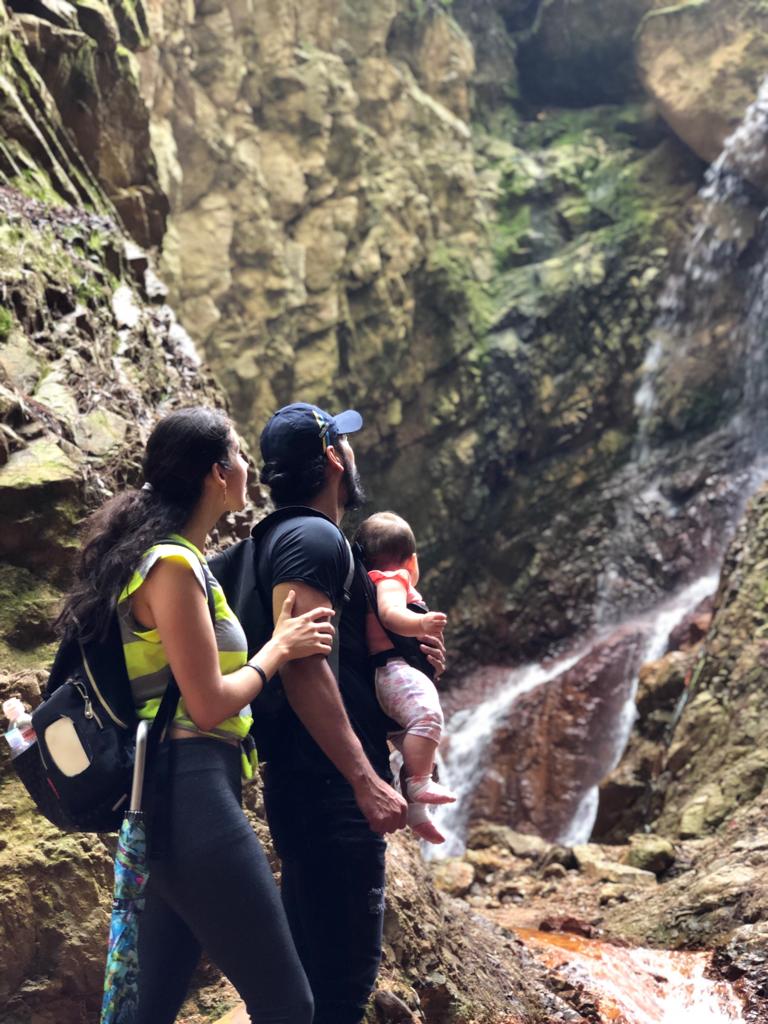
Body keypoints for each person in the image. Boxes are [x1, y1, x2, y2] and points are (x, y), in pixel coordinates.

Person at [56, 406, 334, 1024]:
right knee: (289, 1003)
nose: (246, 468)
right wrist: (277, 651)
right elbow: (206, 702)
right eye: (237, 455)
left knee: (148, 1009)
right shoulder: (172, 567)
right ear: (216, 473)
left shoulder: (173, 559)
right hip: (190, 791)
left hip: (175, 795)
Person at [246, 402, 446, 1024]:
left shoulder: (291, 542)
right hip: (329, 792)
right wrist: (366, 779)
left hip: (310, 786)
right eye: (347, 446)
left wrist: (400, 678)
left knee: (306, 988)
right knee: (342, 987)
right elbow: (304, 665)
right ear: (335, 457)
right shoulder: (312, 536)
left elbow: (329, 668)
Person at [354, 511, 455, 844]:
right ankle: (418, 784)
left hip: (385, 678)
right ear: (412, 562)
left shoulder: (369, 580)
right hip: (393, 670)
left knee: (413, 741)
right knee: (427, 718)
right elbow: (391, 614)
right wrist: (421, 624)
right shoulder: (393, 580)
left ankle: (416, 811)